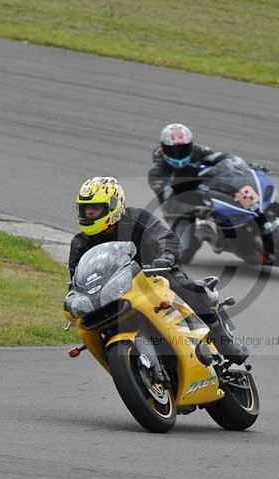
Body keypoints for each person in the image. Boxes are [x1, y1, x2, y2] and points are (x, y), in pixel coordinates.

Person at [66, 176, 249, 365]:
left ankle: (224, 342)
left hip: (156, 274)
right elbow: (76, 280)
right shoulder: (79, 243)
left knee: (188, 288)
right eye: (85, 209)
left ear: (113, 206)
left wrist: (167, 256)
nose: (88, 214)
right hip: (114, 291)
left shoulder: (136, 218)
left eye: (94, 209)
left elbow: (164, 236)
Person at [147, 123, 267, 260]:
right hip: (179, 212)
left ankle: (242, 227)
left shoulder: (197, 151)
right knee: (183, 254)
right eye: (172, 150)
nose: (178, 154)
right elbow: (170, 198)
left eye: (183, 148)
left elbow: (220, 159)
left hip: (207, 194)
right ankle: (216, 239)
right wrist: (197, 206)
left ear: (190, 145)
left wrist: (242, 166)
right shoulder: (157, 173)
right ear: (163, 148)